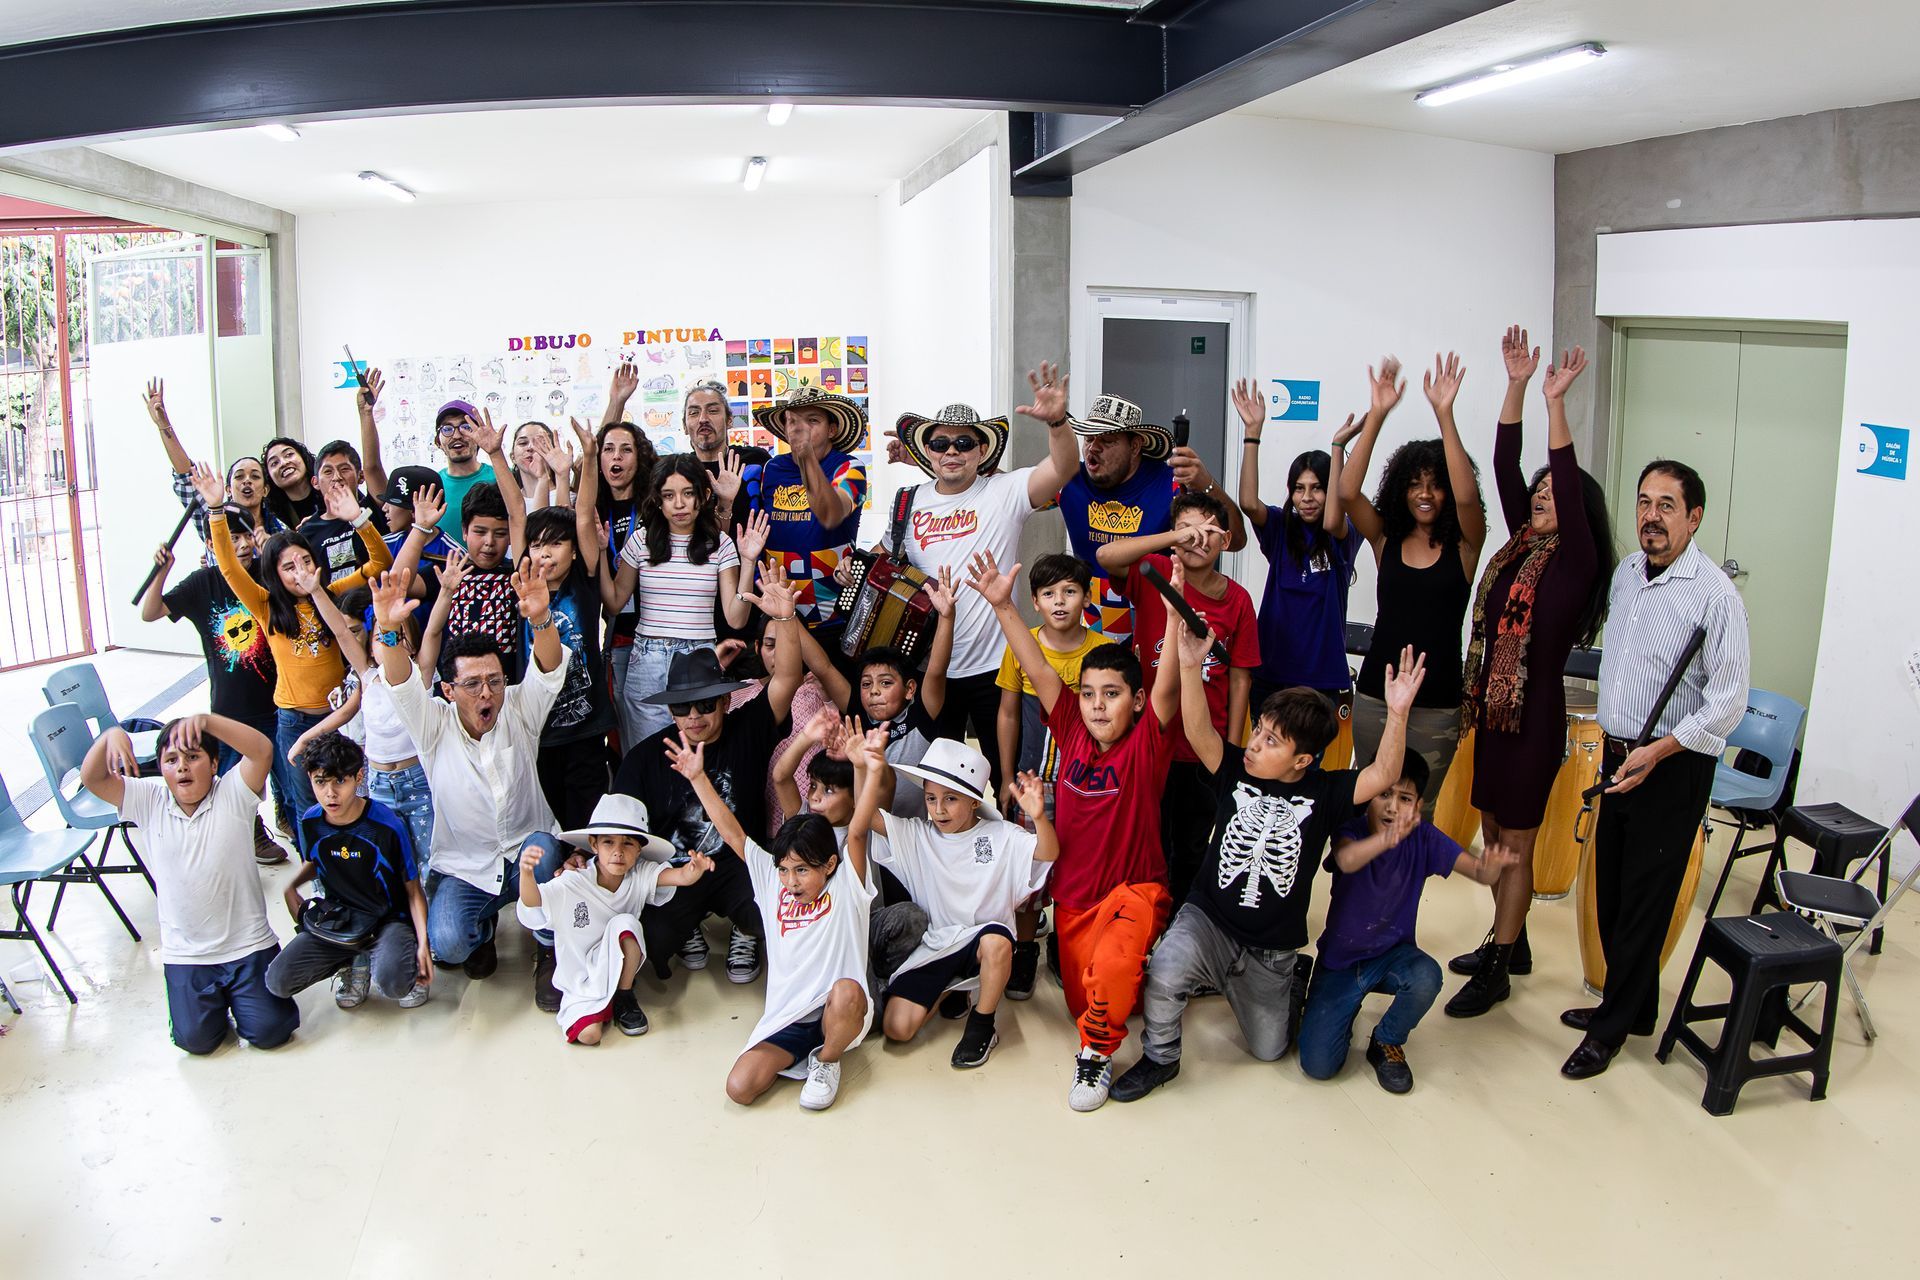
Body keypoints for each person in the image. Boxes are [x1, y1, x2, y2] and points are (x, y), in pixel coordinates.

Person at [1110, 601, 1426, 1104]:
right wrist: (1190, 665)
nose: (1254, 744)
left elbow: (1383, 775)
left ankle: (1293, 982)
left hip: (1272, 949)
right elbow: (1198, 732)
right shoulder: (1236, 766)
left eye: (1271, 741)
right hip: (1209, 919)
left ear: (1302, 759)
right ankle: (1160, 1057)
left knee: (1269, 1051)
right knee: (1166, 968)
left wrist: (1399, 714)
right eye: (1258, 730)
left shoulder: (1324, 793)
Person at [1560, 458, 1749, 1081]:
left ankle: (1611, 1030)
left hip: (1672, 765)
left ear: (1694, 518)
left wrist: (1660, 750)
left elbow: (1728, 702)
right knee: (1612, 892)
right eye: (1644, 502)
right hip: (1619, 754)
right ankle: (1634, 1007)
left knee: (1645, 899)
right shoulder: (1626, 576)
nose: (1651, 516)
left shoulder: (1717, 596)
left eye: (1667, 505)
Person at [1445, 332, 1615, 1018]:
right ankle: (1510, 944)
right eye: (1539, 493)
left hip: (1534, 718)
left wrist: (1555, 406)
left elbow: (1561, 481)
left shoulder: (1574, 565)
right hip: (1494, 713)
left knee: (1513, 845)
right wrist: (1514, 385)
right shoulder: (1522, 546)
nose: (1541, 496)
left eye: (1553, 493)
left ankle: (1499, 961)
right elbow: (1503, 464)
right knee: (1492, 831)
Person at [972, 550, 1180, 1112]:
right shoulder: (1070, 729)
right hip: (1075, 899)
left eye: (1111, 695)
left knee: (1107, 987)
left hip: (1135, 891)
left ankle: (1094, 1057)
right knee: (1085, 999)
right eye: (1088, 694)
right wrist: (1002, 607)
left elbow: (1166, 689)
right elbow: (1037, 668)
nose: (1096, 705)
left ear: (1134, 704)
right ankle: (1140, 978)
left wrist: (1178, 621)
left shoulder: (1145, 743)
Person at [366, 562, 574, 1009]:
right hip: (466, 866)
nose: (487, 694)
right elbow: (401, 682)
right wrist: (387, 629)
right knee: (448, 945)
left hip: (526, 853)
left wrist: (540, 617)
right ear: (448, 689)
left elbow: (549, 669)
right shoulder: (431, 725)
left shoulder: (520, 708)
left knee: (543, 850)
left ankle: (547, 949)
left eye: (495, 681)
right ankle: (482, 933)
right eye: (474, 684)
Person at [883, 371, 1081, 785]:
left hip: (998, 670)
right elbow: (887, 558)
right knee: (940, 784)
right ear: (927, 451)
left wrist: (1057, 423)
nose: (951, 451)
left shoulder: (1005, 490)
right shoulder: (908, 502)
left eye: (963, 442)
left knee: (1007, 781)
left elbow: (1064, 467)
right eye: (940, 443)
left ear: (982, 449)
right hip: (933, 669)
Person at [610, 573, 804, 984]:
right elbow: (619, 827)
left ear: (726, 699)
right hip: (680, 870)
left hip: (742, 863)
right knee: (648, 943)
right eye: (683, 709)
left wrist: (786, 621)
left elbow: (787, 678)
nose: (694, 717)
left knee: (779, 915)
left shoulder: (746, 726)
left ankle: (742, 929)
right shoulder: (646, 757)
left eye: (704, 705)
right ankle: (687, 927)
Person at [194, 462, 395, 841]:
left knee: (349, 800)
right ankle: (317, 874)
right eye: (289, 567)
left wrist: (359, 520)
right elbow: (230, 569)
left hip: (340, 716)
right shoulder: (267, 606)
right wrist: (217, 511)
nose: (300, 571)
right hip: (292, 721)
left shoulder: (329, 595)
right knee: (306, 807)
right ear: (275, 573)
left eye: (305, 561)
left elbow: (379, 564)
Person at [79, 715, 299, 1055]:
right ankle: (213, 1006)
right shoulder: (148, 801)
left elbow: (261, 751)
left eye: (193, 757)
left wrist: (207, 722)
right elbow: (92, 778)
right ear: (162, 770)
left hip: (248, 946)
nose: (182, 767)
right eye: (171, 760)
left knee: (271, 1032)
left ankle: (244, 999)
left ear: (214, 764)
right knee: (196, 1042)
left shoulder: (233, 794)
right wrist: (109, 736)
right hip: (188, 954)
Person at [1297, 753, 1517, 1093]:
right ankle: (1321, 994)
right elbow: (1346, 859)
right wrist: (1387, 839)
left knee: (1427, 975)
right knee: (1319, 1066)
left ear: (1418, 806)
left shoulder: (1424, 837)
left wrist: (1490, 869)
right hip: (1340, 963)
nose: (1391, 807)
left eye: (1404, 799)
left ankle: (1386, 1041)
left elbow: (1476, 870)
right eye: (1384, 794)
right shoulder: (1350, 830)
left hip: (1391, 957)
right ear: (1366, 792)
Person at [675, 737, 874, 1112]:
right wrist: (698, 777)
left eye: (802, 870)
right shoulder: (773, 883)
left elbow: (859, 831)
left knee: (848, 991)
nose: (791, 881)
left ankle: (828, 1059)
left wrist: (869, 767)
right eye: (784, 870)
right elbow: (733, 834)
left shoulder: (848, 885)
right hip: (789, 1017)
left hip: (837, 1007)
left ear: (829, 865)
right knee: (739, 1088)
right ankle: (806, 1052)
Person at [1338, 354, 1488, 813]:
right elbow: (1345, 493)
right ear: (1401, 489)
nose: (1425, 493)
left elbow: (1467, 496)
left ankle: (1404, 888)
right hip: (1375, 699)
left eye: (1435, 484)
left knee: (1412, 817)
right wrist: (1377, 414)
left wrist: (1445, 415)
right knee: (1369, 810)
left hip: (1437, 705)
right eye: (1416, 483)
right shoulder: (1386, 538)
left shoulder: (1466, 545)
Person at [854, 733, 1056, 1070]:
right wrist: (865, 767)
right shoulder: (917, 834)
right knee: (897, 1030)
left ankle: (983, 1024)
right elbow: (866, 817)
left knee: (995, 942)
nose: (938, 809)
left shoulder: (1001, 835)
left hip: (984, 943)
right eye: (931, 798)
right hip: (938, 944)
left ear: (975, 801)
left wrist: (1038, 817)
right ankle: (952, 989)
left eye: (950, 799)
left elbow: (1048, 852)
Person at [1097, 489, 1261, 903]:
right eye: (1188, 529)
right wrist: (1173, 537)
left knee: (1191, 844)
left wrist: (1234, 747)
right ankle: (1145, 913)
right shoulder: (1154, 571)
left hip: (1206, 746)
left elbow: (1241, 679)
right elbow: (1107, 558)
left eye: (1209, 532)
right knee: (1148, 835)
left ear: (1225, 540)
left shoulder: (1238, 600)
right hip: (1152, 738)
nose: (1197, 540)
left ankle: (1180, 922)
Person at [139, 521, 288, 864]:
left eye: (246, 535)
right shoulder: (202, 583)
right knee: (233, 789)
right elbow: (150, 613)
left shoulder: (268, 575)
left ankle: (292, 824)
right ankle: (250, 833)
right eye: (231, 537)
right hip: (229, 712)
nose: (242, 544)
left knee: (289, 779)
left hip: (280, 704)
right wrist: (162, 571)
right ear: (212, 542)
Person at [516, 793, 714, 1043]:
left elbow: (679, 877)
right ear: (593, 845)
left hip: (619, 961)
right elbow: (533, 901)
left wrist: (694, 869)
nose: (618, 852)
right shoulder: (573, 881)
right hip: (581, 974)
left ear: (640, 849)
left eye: (628, 844)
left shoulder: (640, 873)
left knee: (625, 924)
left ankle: (623, 994)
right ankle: (600, 1001)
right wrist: (526, 874)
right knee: (589, 1036)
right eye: (608, 842)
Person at [1054, 392, 1245, 647]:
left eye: (1107, 440)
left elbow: (1235, 541)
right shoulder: (1068, 480)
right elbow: (1016, 492)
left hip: (1155, 615)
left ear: (1135, 447)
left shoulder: (1172, 484)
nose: (1093, 447)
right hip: (1088, 620)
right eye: (1088, 438)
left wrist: (1207, 484)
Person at [993, 552, 1100, 997]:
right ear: (1035, 601)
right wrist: (1005, 776)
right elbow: (1008, 713)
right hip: (1032, 780)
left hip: (1082, 784)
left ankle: (1063, 943)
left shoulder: (1101, 650)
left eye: (1070, 591)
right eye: (1049, 593)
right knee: (1028, 871)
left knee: (1074, 868)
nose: (1060, 601)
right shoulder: (1022, 645)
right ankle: (1024, 950)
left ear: (1086, 598)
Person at [602, 454, 765, 740]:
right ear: (658, 500)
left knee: (697, 760)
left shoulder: (720, 543)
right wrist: (601, 553)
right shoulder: (641, 540)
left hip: (700, 658)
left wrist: (748, 560)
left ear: (702, 496)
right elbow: (615, 602)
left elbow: (736, 618)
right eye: (668, 495)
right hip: (647, 660)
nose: (678, 504)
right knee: (646, 762)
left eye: (687, 493)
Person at [266, 731, 431, 1010]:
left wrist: (423, 946)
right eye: (320, 782)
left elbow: (413, 891)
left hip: (388, 920)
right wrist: (290, 885)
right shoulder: (311, 821)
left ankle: (391, 960)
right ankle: (352, 959)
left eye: (340, 781)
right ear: (310, 780)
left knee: (393, 985)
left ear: (358, 777)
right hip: (341, 920)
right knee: (278, 981)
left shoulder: (386, 825)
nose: (330, 793)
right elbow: (315, 861)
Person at [771, 706, 929, 986]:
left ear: (856, 797)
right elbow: (781, 777)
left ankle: (881, 980)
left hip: (865, 927)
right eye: (813, 786)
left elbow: (883, 787)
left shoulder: (867, 821)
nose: (816, 798)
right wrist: (807, 736)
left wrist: (866, 761)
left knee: (911, 917)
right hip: (818, 927)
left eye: (829, 790)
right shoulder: (805, 822)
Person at [1232, 377, 1362, 712]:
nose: (1307, 498)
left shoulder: (1342, 534)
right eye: (1299, 488)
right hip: (1271, 675)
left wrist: (1337, 449)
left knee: (1307, 765)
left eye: (1317, 488)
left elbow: (1334, 517)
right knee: (1267, 762)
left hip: (1319, 682)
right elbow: (1248, 502)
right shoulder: (1279, 527)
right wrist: (1252, 434)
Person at [517, 420, 615, 829]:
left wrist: (586, 461)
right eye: (537, 545)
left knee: (586, 826)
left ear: (576, 552)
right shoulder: (523, 587)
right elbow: (515, 508)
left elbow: (584, 511)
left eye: (555, 544)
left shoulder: (583, 582)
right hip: (538, 732)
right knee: (549, 827)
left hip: (585, 731)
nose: (544, 553)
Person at [751, 387, 869, 646]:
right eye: (793, 421)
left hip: (834, 615)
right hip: (779, 610)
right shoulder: (771, 468)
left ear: (832, 430)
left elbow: (831, 514)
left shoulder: (849, 467)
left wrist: (806, 460)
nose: (799, 429)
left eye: (812, 421)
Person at [844, 572, 956, 818]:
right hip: (868, 836)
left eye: (885, 683)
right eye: (866, 684)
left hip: (914, 835)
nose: (874, 691)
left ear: (910, 689)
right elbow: (823, 667)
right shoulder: (857, 723)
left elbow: (936, 671)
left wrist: (946, 617)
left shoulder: (921, 715)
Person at [592, 365, 662, 750]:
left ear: (640, 457)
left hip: (658, 634)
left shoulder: (654, 506)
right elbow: (590, 454)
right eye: (609, 451)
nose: (616, 457)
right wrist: (615, 402)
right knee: (627, 734)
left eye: (626, 449)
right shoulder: (594, 507)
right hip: (618, 636)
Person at [145, 378, 283, 564]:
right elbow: (186, 476)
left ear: (265, 489)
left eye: (255, 476)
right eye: (239, 476)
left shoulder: (279, 528)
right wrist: (163, 424)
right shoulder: (214, 518)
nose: (247, 481)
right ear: (228, 489)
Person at [682, 378, 770, 528]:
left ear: (729, 420)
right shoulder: (680, 470)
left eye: (713, 411)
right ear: (684, 426)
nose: (703, 419)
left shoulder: (757, 460)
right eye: (694, 413)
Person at [301, 440, 390, 583]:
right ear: (315, 482)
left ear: (361, 477)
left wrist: (366, 416)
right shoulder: (307, 531)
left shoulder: (372, 509)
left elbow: (373, 467)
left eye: (344, 469)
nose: (336, 477)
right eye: (328, 471)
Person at [509, 419, 574, 511]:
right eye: (523, 443)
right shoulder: (506, 501)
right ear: (513, 457)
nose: (530, 447)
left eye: (539, 443)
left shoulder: (571, 498)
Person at [262, 435, 324, 529]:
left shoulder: (330, 492)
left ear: (303, 457)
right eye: (274, 463)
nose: (283, 463)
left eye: (289, 455)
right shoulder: (272, 519)